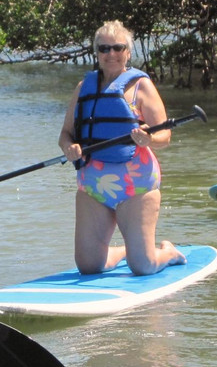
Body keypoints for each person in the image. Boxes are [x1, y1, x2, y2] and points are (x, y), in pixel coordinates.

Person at [58, 20, 186, 276]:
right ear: (96, 53)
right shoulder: (84, 88)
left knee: (144, 267)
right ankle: (127, 250)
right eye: (104, 49)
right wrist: (69, 147)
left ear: (128, 51)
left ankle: (168, 252)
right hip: (92, 185)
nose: (111, 54)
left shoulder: (141, 86)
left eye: (118, 47)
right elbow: (66, 134)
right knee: (89, 266)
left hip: (135, 184)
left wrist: (149, 139)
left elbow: (165, 135)